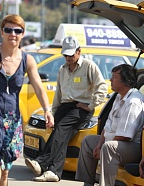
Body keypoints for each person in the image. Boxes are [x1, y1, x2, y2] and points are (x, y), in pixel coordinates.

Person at [24, 36, 108, 182]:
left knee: (61, 130)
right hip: (65, 107)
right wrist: (53, 113)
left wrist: (90, 105)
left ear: (79, 52)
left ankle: (42, 162)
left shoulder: (89, 66)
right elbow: (59, 94)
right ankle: (54, 172)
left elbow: (102, 87)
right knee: (59, 134)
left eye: (70, 54)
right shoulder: (62, 69)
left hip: (80, 108)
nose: (67, 57)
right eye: (65, 55)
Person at [0, 14, 54, 186]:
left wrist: (47, 110)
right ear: (2, 31)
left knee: (5, 173)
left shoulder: (27, 60)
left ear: (22, 34)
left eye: (17, 30)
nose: (12, 34)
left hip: (12, 120)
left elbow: (38, 87)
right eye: (8, 30)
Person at [75, 64, 144, 186]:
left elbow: (125, 136)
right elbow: (107, 126)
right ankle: (87, 183)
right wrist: (99, 144)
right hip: (115, 141)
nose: (110, 80)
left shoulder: (134, 102)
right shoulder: (118, 97)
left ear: (125, 82)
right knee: (88, 141)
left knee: (109, 147)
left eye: (114, 77)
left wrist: (103, 148)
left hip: (133, 146)